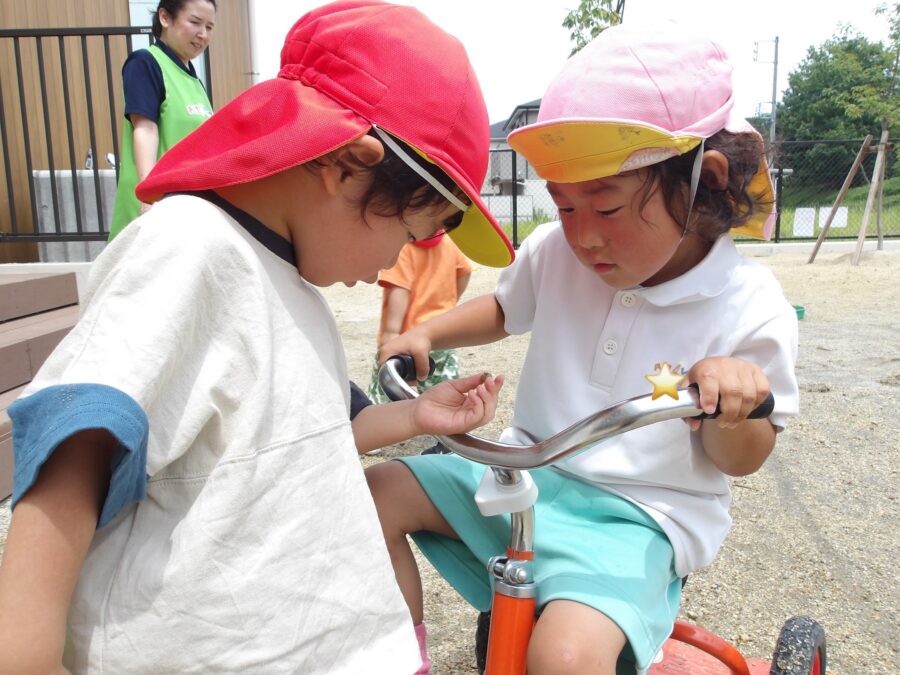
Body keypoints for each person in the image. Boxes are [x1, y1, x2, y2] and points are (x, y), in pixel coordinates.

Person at [0, 2, 514, 674]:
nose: (394, 261)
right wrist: (26, 657)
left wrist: (417, 415)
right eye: (410, 233)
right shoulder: (191, 247)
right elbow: (74, 448)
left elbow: (318, 431)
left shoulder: (294, 288)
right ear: (346, 166)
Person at [366, 23, 799, 675]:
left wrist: (735, 407)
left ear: (703, 182)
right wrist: (428, 332)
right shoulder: (557, 253)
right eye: (565, 207)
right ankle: (404, 659)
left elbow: (742, 460)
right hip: (524, 478)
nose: (583, 236)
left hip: (635, 518)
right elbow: (506, 308)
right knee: (374, 493)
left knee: (564, 656)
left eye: (607, 207)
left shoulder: (749, 304)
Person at [108, 0, 216, 240]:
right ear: (165, 18)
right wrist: (149, 195)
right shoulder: (146, 62)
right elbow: (145, 129)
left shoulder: (194, 81)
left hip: (183, 205)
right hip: (155, 206)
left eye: (209, 27)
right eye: (195, 22)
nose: (203, 34)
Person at [367, 234, 473, 406]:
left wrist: (390, 333)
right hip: (443, 337)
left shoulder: (402, 247)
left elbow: (399, 291)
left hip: (408, 342)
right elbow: (464, 272)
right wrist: (449, 305)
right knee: (442, 400)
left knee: (388, 399)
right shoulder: (449, 243)